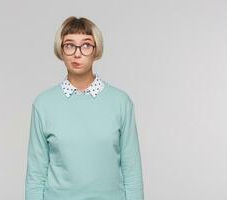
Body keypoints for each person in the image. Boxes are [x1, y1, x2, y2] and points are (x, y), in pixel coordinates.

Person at [25, 16, 144, 200]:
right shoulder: (43, 104)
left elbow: (132, 171)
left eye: (86, 45)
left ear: (96, 50)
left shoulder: (121, 102)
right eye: (69, 45)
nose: (77, 53)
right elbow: (36, 174)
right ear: (61, 50)